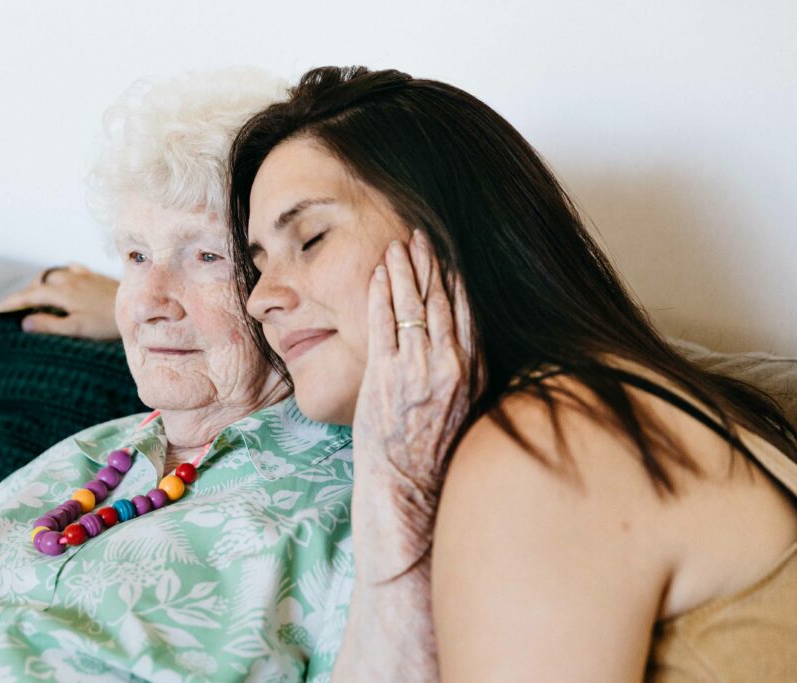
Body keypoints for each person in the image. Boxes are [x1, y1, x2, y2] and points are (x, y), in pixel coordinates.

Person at [227, 66, 797, 681]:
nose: (261, 300)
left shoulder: (552, 440)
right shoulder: (580, 406)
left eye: (310, 239)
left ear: (451, 235)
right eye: (258, 267)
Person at [0, 68, 357, 683]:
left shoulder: (341, 506)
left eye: (207, 257)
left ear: (277, 282)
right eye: (136, 256)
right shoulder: (72, 466)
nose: (149, 300)